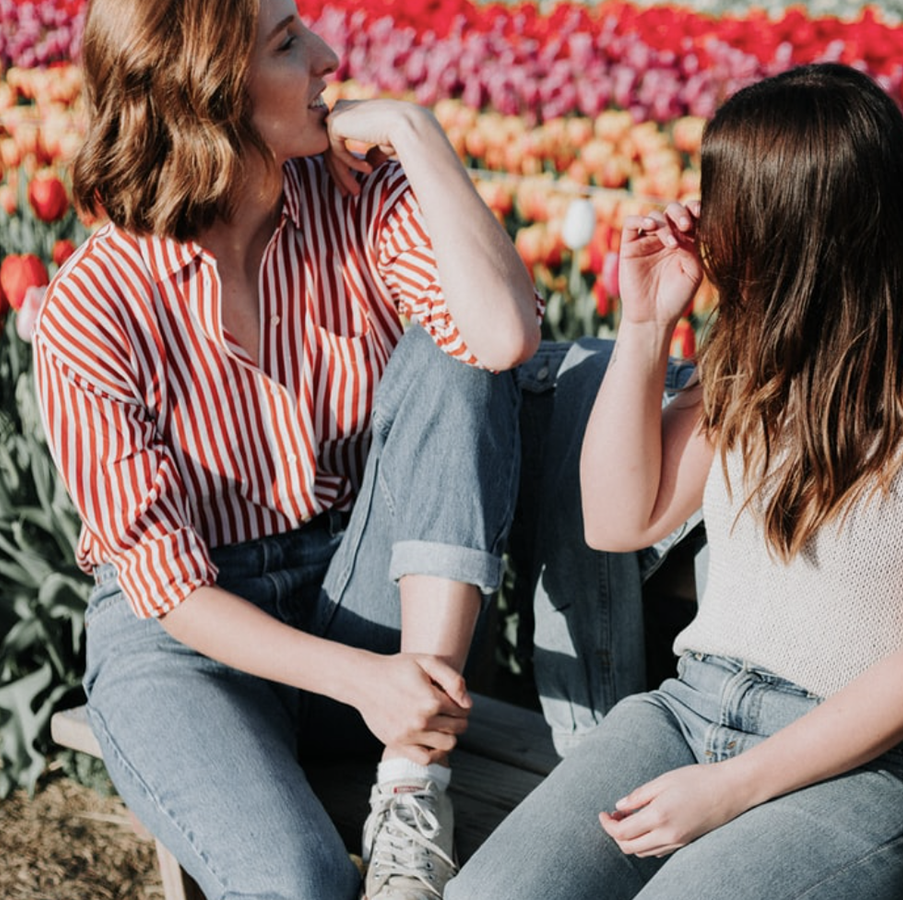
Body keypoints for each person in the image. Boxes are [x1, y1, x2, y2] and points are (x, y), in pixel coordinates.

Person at [448, 62, 903, 899]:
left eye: (725, 195)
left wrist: (732, 789)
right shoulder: (759, 352)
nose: (708, 218)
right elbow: (619, 520)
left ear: (797, 220)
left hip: (874, 764)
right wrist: (648, 323)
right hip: (690, 712)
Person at [32, 0, 541, 897]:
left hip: (360, 595)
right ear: (206, 95)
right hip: (189, 648)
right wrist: (365, 681)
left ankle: (412, 789)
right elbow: (170, 589)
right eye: (287, 44)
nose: (330, 57)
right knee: (297, 882)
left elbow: (499, 338)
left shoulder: (362, 201)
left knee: (451, 346)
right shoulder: (93, 307)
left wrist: (419, 134)